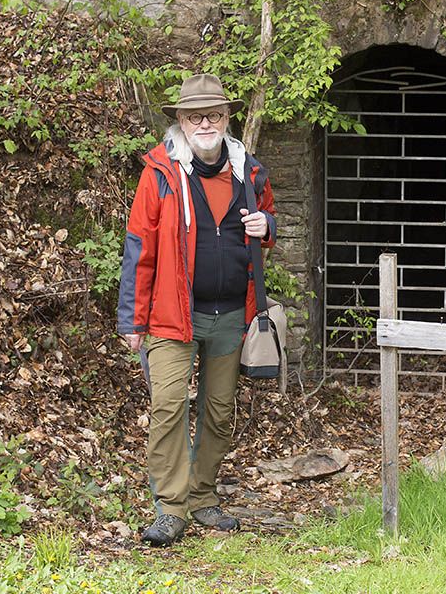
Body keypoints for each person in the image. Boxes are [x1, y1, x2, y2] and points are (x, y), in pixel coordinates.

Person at [117, 73, 277, 547]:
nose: (204, 123)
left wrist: (265, 223)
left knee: (219, 410)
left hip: (231, 313)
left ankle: (203, 496)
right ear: (181, 122)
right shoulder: (161, 173)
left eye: (213, 114)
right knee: (168, 406)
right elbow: (138, 247)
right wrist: (132, 317)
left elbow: (269, 222)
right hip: (171, 313)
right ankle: (171, 507)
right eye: (193, 116)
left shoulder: (250, 171)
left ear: (227, 119)